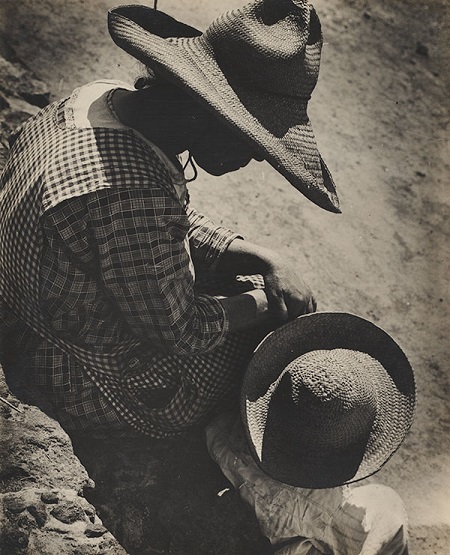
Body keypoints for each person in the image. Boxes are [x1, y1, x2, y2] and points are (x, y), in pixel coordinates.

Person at [0, 1, 415, 553]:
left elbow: (151, 227)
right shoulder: (130, 191)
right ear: (206, 111)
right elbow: (179, 330)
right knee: (272, 359)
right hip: (69, 369)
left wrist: (254, 255)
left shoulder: (97, 101)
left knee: (257, 311)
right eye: (251, 140)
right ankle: (283, 495)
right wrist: (267, 307)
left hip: (43, 302)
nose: (256, 159)